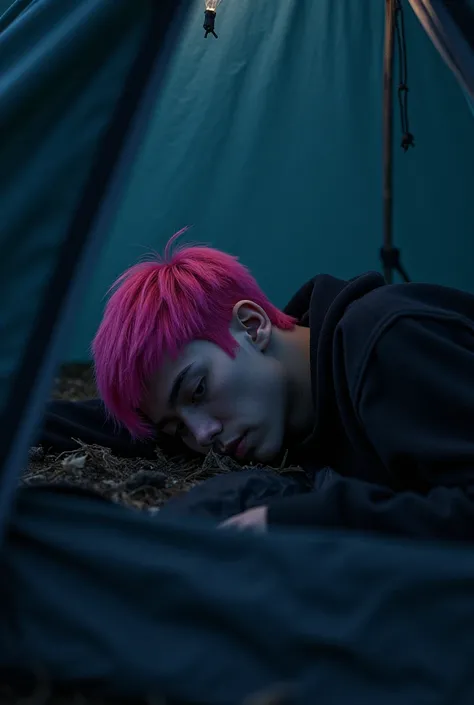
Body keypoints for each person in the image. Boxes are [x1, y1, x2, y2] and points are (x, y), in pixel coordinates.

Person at [40, 229, 474, 539]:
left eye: (197, 391)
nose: (203, 434)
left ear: (252, 325)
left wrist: (303, 521)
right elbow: (118, 426)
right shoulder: (260, 406)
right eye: (178, 428)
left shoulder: (389, 342)